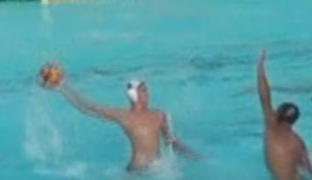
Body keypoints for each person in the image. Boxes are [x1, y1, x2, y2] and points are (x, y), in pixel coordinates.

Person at [39, 62, 198, 172]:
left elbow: (171, 142)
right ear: (134, 95)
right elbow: (87, 107)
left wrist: (192, 155)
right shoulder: (123, 116)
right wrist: (63, 87)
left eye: (146, 90)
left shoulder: (160, 115)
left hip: (158, 170)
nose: (147, 93)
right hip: (136, 171)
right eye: (143, 90)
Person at [255, 49, 312, 180]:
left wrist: (260, 69)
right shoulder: (298, 142)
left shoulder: (272, 128)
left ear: (277, 115)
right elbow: (310, 172)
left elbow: (264, 96)